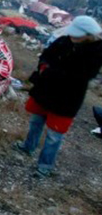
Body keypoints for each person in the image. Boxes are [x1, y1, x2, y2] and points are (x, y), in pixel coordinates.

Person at [14, 16, 102, 177]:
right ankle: (28, 146)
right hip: (45, 91)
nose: (73, 36)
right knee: (35, 121)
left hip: (67, 98)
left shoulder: (96, 52)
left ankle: (45, 166)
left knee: (54, 135)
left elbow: (82, 74)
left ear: (89, 35)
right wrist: (43, 66)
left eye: (78, 34)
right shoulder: (64, 41)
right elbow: (46, 55)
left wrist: (51, 72)